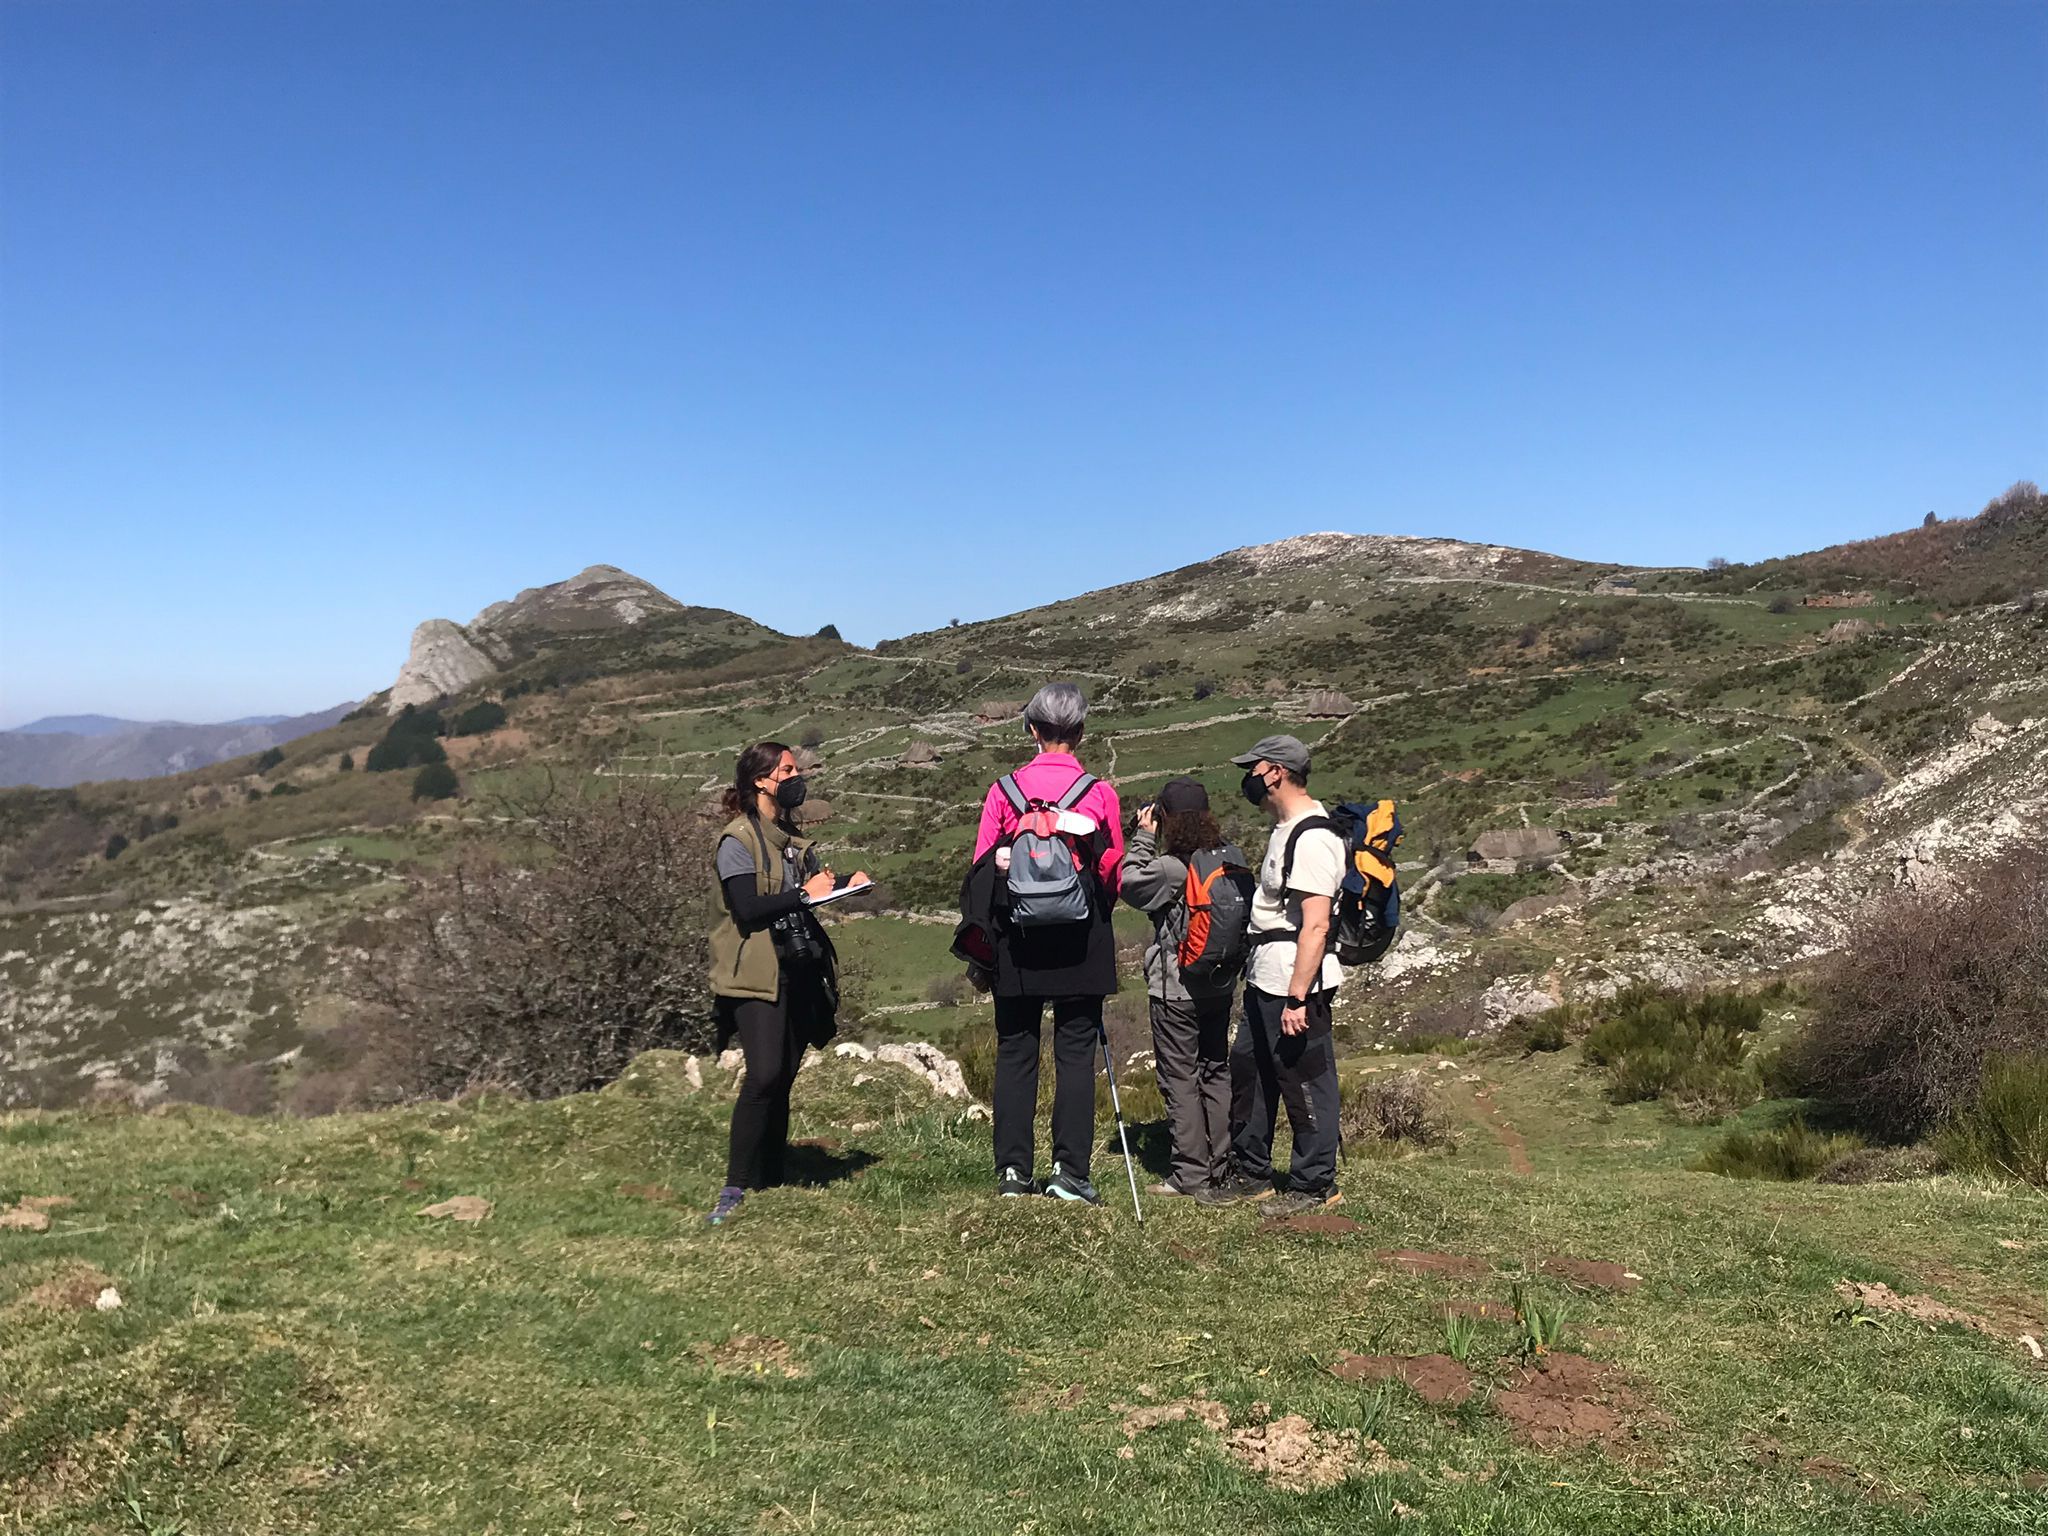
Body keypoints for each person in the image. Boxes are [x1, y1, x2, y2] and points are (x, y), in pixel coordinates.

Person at [972, 682, 1125, 1203]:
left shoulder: (1003, 792)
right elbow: (1114, 875)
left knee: (1016, 1050)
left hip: (1017, 939)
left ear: (1032, 730)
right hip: (1081, 937)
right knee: (1075, 1053)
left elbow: (980, 872)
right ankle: (1070, 1173)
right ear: (1080, 732)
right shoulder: (1099, 794)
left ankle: (1013, 1173)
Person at [704, 741, 868, 1226]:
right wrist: (802, 893)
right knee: (764, 1075)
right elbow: (749, 908)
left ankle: (770, 1177)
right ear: (761, 780)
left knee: (785, 1076)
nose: (798, 777)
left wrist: (843, 885)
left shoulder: (788, 838)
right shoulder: (738, 840)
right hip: (755, 974)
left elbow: (804, 897)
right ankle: (735, 1185)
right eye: (788, 770)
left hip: (795, 969)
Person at [1217, 734, 1346, 1212]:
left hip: (1293, 982)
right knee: (1252, 1072)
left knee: (1306, 1081)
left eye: (1253, 768)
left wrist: (1297, 999)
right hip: (1265, 977)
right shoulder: (1287, 829)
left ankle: (1315, 1183)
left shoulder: (1312, 837)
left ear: (1275, 771)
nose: (1248, 778)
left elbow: (1316, 925)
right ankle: (1252, 1171)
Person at [1120, 777, 1242, 1203]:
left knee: (1180, 1077)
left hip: (1176, 989)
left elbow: (1129, 884)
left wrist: (1143, 835)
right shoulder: (1227, 859)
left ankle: (1190, 1174)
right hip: (1219, 984)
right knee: (1215, 1069)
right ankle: (1221, 1164)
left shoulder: (1173, 868)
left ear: (1168, 820)